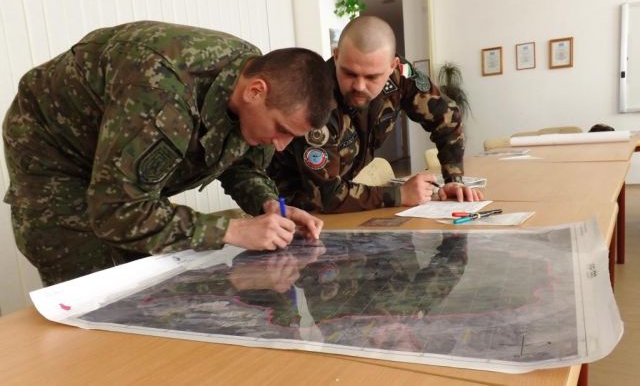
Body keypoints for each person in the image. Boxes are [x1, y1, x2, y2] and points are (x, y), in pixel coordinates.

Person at [3, 21, 334, 286]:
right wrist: (231, 230)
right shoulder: (160, 92)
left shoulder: (255, 80)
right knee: (93, 293)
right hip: (56, 156)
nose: (280, 145)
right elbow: (118, 210)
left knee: (147, 280)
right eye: (281, 130)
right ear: (255, 91)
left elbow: (239, 161)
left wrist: (267, 203)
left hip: (119, 159)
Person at [268, 16, 483, 213]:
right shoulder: (315, 100)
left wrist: (454, 179)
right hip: (290, 209)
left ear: (392, 66)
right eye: (349, 73)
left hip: (341, 206)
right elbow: (326, 194)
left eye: (372, 77)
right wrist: (400, 194)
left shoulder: (401, 75)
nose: (359, 86)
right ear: (336, 56)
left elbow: (447, 117)